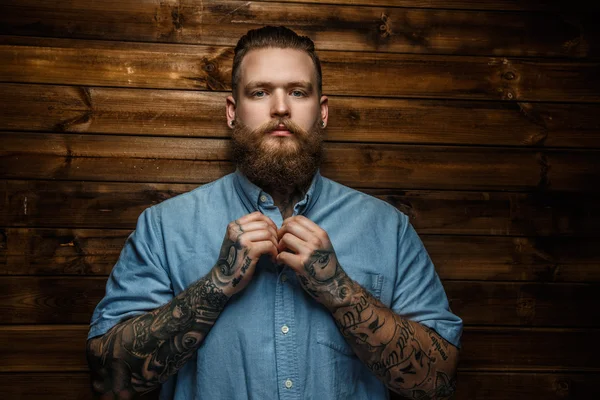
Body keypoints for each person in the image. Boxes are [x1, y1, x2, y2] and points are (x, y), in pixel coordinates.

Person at [86, 26, 462, 400]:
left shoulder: (388, 229)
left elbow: (437, 383)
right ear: (232, 112)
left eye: (298, 92)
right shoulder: (164, 227)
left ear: (323, 111)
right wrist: (216, 285)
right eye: (260, 92)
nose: (281, 108)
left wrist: (338, 288)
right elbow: (109, 380)